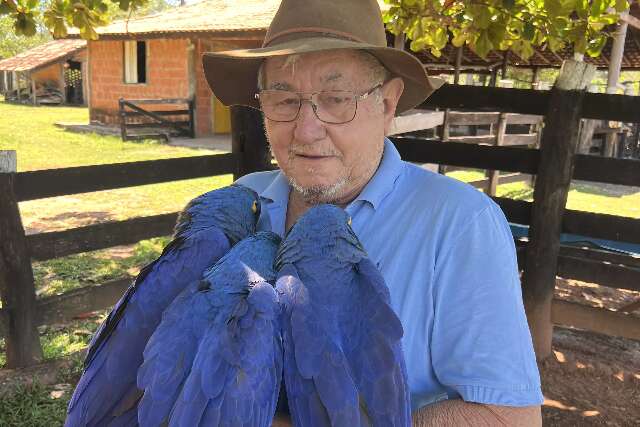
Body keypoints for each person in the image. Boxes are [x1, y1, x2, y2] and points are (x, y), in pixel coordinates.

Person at [202, 0, 544, 425]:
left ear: (387, 104)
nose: (307, 130)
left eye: (337, 99)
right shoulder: (240, 203)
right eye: (284, 100)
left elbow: (508, 416)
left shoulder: (457, 223)